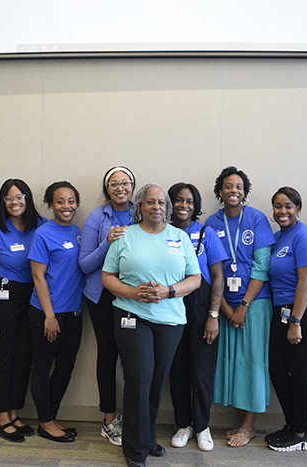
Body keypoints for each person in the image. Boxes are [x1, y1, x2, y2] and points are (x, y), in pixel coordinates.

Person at [102, 183, 201, 467]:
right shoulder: (125, 236)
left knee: (156, 383)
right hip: (131, 315)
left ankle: (146, 438)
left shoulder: (180, 237)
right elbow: (107, 276)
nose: (156, 206)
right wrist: (133, 292)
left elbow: (194, 279)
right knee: (139, 379)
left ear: (167, 208)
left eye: (161, 203)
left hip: (170, 320)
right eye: (150, 202)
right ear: (140, 207)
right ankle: (134, 450)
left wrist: (168, 291)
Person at [205, 167, 275, 448]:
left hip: (255, 304)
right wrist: (224, 308)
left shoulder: (257, 219)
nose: (233, 190)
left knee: (252, 363)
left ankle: (249, 426)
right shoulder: (212, 222)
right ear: (219, 192)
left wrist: (244, 305)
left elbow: (261, 267)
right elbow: (213, 271)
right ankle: (241, 421)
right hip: (225, 305)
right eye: (227, 186)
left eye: (239, 186)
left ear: (245, 191)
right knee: (234, 363)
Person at [0, 179, 44, 442]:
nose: (14, 202)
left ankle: (15, 413)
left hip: (32, 296)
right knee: (3, 356)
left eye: (20, 196)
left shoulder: (39, 227)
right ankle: (2, 416)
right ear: (2, 203)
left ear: (27, 199)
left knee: (25, 356)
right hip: (3, 295)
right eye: (9, 198)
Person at [266, 187, 307, 452]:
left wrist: (295, 321)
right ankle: (293, 424)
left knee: (300, 373)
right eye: (278, 206)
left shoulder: (304, 237)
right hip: (283, 309)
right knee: (278, 370)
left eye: (288, 206)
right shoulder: (280, 237)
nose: (283, 211)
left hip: (306, 310)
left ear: (298, 209)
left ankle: (299, 433)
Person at [167, 182, 227, 452]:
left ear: (196, 205)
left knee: (201, 373)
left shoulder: (206, 233)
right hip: (171, 309)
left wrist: (213, 315)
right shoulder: (162, 233)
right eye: (178, 200)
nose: (183, 205)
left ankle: (202, 426)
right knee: (177, 369)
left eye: (189, 201)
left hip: (202, 311)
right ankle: (184, 424)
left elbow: (217, 277)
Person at [78, 166, 135, 446]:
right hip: (101, 296)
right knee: (108, 355)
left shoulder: (143, 211)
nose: (120, 187)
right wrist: (107, 242)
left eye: (125, 182)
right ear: (106, 189)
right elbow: (85, 264)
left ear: (133, 187)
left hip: (133, 295)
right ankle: (109, 420)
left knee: (134, 356)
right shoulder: (95, 217)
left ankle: (134, 417)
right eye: (114, 183)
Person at [28, 181, 85, 443]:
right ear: (51, 205)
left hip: (73, 313)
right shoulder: (43, 233)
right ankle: (45, 421)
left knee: (65, 368)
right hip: (47, 313)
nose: (66, 206)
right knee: (41, 368)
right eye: (60, 201)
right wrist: (50, 316)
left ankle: (50, 416)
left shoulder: (77, 232)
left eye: (71, 200)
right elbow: (38, 277)